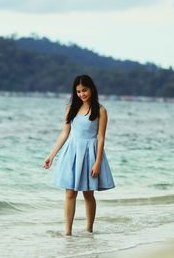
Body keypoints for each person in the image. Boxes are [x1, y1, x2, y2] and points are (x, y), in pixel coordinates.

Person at [44, 74, 115, 236]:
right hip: (72, 152)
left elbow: (101, 137)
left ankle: (89, 229)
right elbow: (64, 134)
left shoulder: (101, 110)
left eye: (84, 90)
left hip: (91, 153)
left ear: (91, 89)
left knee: (88, 193)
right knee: (69, 193)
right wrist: (51, 155)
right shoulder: (70, 108)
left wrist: (97, 162)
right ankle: (67, 233)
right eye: (78, 91)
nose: (82, 94)